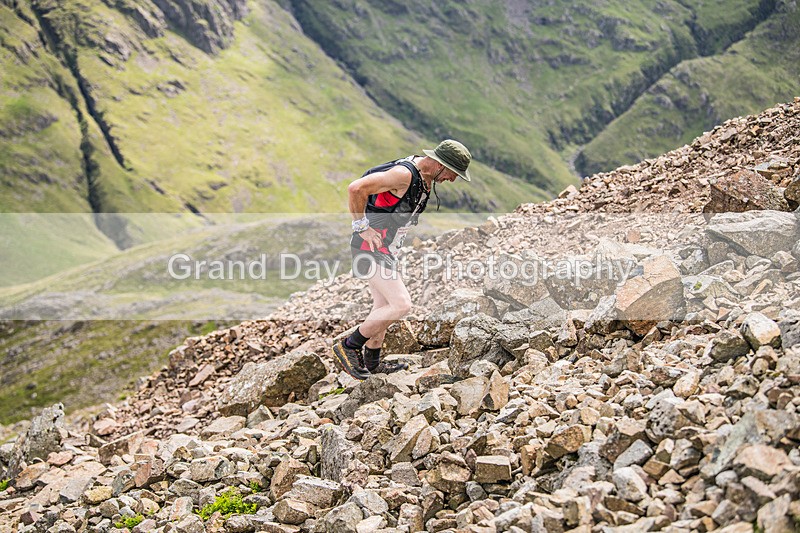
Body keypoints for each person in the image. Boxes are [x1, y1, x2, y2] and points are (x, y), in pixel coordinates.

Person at [332, 139, 473, 380]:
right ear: (441, 164)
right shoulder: (403, 175)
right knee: (401, 304)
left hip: (386, 249)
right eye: (454, 173)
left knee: (383, 306)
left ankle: (373, 363)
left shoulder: (424, 178)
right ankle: (349, 346)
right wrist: (361, 226)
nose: (453, 180)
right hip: (369, 247)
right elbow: (356, 188)